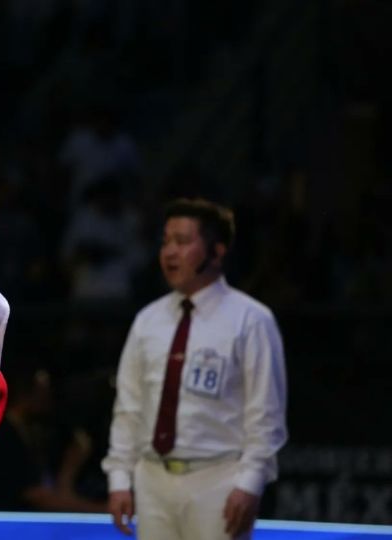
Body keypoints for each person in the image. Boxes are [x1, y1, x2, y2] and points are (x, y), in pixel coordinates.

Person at [101, 197, 288, 540]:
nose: (169, 252)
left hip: (218, 478)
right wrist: (119, 480)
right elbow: (128, 409)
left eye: (183, 242)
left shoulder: (251, 320)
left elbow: (266, 417)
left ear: (217, 252)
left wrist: (250, 484)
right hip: (152, 478)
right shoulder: (148, 320)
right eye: (165, 241)